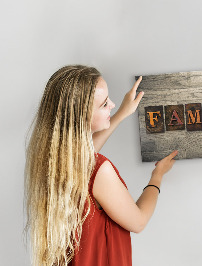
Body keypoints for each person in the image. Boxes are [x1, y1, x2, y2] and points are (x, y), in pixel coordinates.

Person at [24, 65, 178, 266]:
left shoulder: (53, 160)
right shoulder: (99, 170)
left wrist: (122, 113)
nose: (113, 104)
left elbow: (86, 157)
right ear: (82, 117)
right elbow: (138, 221)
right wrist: (157, 176)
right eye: (105, 104)